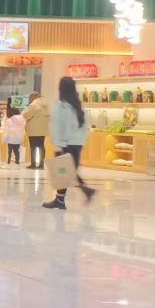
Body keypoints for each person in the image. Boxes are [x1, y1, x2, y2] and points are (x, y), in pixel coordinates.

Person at [43, 77, 96, 209]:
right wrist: (80, 142)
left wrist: (59, 143)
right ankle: (64, 198)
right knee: (66, 171)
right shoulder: (78, 105)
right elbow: (84, 126)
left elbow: (58, 125)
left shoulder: (61, 105)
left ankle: (81, 191)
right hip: (77, 144)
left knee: (64, 171)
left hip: (66, 143)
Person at [24, 92, 50, 169]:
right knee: (41, 146)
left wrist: (27, 107)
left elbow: (26, 115)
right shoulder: (45, 105)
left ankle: (33, 164)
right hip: (43, 129)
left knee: (33, 146)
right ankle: (41, 164)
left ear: (33, 97)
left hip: (34, 129)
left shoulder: (33, 105)